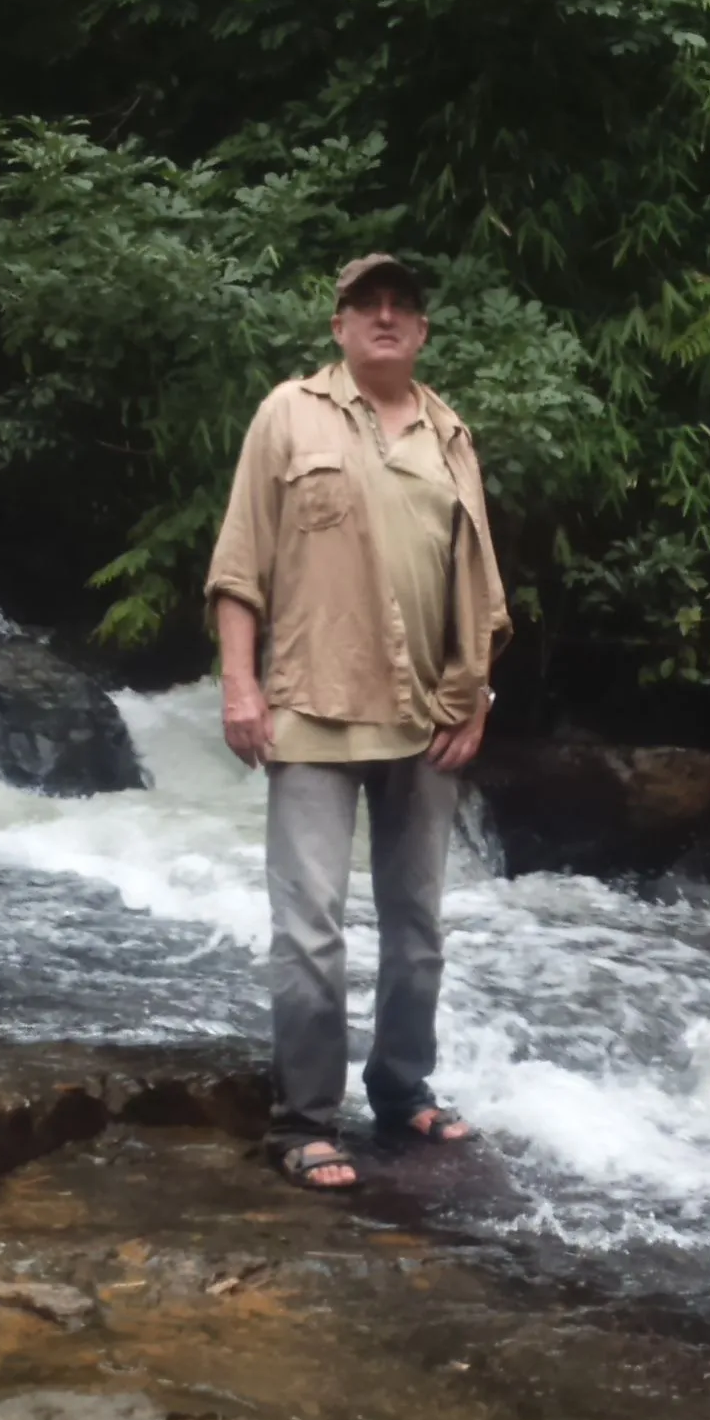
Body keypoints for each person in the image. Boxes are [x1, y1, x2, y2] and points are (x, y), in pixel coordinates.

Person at [205, 255, 510, 1190]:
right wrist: (239, 686)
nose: (385, 318)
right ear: (338, 326)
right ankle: (304, 1119)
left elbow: (480, 584)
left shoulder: (450, 433)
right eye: (366, 306)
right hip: (310, 707)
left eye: (402, 308)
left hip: (428, 715)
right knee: (309, 930)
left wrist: (477, 696)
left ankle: (401, 1083)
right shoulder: (286, 414)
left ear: (419, 333)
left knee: (417, 927)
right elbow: (238, 566)